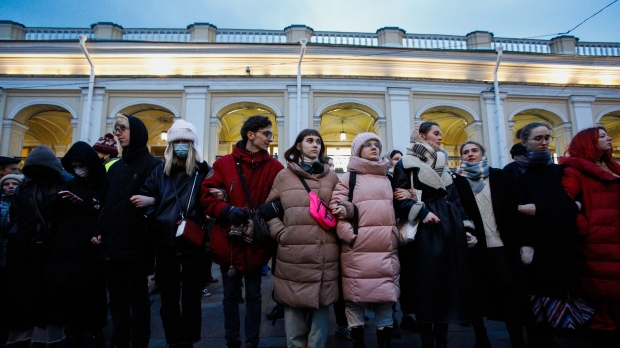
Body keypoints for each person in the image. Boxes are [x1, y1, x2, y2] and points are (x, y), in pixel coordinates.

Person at [201, 115, 283, 348]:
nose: (270, 138)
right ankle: (232, 341)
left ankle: (252, 341)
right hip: (229, 241)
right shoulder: (223, 164)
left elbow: (285, 198)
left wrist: (272, 207)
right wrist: (225, 210)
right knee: (229, 296)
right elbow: (206, 195)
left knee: (255, 296)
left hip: (257, 241)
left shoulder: (276, 167)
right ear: (251, 134)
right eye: (266, 133)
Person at [392, 122, 475, 348]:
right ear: (421, 136)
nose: (440, 138)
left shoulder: (444, 167)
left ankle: (443, 341)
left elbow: (455, 199)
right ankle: (427, 341)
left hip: (451, 229)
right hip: (424, 232)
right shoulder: (406, 163)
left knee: (448, 287)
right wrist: (423, 212)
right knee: (426, 286)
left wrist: (466, 228)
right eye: (436, 133)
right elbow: (398, 198)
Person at [503, 122, 580, 347]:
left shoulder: (556, 169)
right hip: (530, 241)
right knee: (533, 290)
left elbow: (569, 205)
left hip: (558, 239)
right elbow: (512, 207)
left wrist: (542, 208)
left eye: (547, 137)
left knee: (558, 287)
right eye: (538, 138)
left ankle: (557, 328)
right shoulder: (513, 170)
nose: (544, 142)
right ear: (524, 141)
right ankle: (536, 333)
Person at [136, 119, 211, 348]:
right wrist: (154, 213)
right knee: (168, 296)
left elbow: (208, 201)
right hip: (165, 239)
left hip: (192, 239)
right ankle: (172, 340)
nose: (181, 145)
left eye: (185, 141)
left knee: (191, 295)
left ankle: (187, 339)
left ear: (192, 144)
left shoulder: (203, 171)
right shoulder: (159, 172)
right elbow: (146, 198)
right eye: (176, 141)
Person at [264, 129, 340, 347]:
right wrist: (280, 233)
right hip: (293, 253)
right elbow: (268, 209)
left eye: (318, 141)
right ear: (298, 146)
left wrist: (347, 209)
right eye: (309, 141)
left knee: (321, 309)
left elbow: (343, 206)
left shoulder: (331, 176)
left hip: (325, 252)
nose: (315, 145)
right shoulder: (284, 176)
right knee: (293, 308)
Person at [453, 141, 532, 348]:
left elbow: (518, 207)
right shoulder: (458, 182)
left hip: (502, 246)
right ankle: (481, 337)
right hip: (474, 248)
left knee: (510, 293)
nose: (470, 154)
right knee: (476, 294)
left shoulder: (499, 176)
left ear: (482, 153)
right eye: (465, 152)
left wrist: (525, 242)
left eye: (474, 150)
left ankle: (516, 336)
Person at [94, 114, 161, 348]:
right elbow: (103, 203)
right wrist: (98, 230)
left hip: (137, 244)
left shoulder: (154, 165)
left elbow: (165, 199)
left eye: (123, 128)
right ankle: (119, 338)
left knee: (139, 298)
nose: (118, 133)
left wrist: (152, 200)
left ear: (138, 132)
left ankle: (140, 341)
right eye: (116, 129)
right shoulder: (114, 167)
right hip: (110, 244)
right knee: (116, 298)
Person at [330, 132, 400, 348]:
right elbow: (336, 208)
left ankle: (384, 342)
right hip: (357, 249)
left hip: (386, 248)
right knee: (354, 300)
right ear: (357, 150)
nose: (373, 148)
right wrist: (349, 235)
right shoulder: (349, 178)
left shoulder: (389, 178)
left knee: (385, 299)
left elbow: (400, 207)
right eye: (367, 145)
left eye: (377, 144)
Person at [5, 146, 72, 347]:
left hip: (51, 247)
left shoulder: (63, 183)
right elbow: (15, 215)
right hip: (27, 247)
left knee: (48, 294)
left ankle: (47, 335)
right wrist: (17, 236)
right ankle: (30, 334)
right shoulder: (25, 186)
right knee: (27, 294)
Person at [559, 127, 620, 347]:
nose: (609, 138)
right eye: (602, 136)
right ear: (588, 142)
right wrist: (586, 227)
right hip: (598, 243)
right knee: (604, 294)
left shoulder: (612, 167)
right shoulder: (575, 170)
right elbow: (565, 205)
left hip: (614, 239)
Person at [44, 141, 108, 348]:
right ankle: (74, 330)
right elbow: (54, 214)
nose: (78, 170)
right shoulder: (71, 184)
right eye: (75, 166)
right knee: (69, 290)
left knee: (93, 290)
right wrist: (61, 202)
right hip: (68, 245)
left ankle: (95, 329)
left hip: (90, 245)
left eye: (82, 165)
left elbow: (105, 211)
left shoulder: (104, 183)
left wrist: (89, 211)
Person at [0, 173, 23, 345]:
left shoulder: (23, 204)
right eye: (6, 184)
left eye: (14, 183)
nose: (10, 186)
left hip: (14, 255)